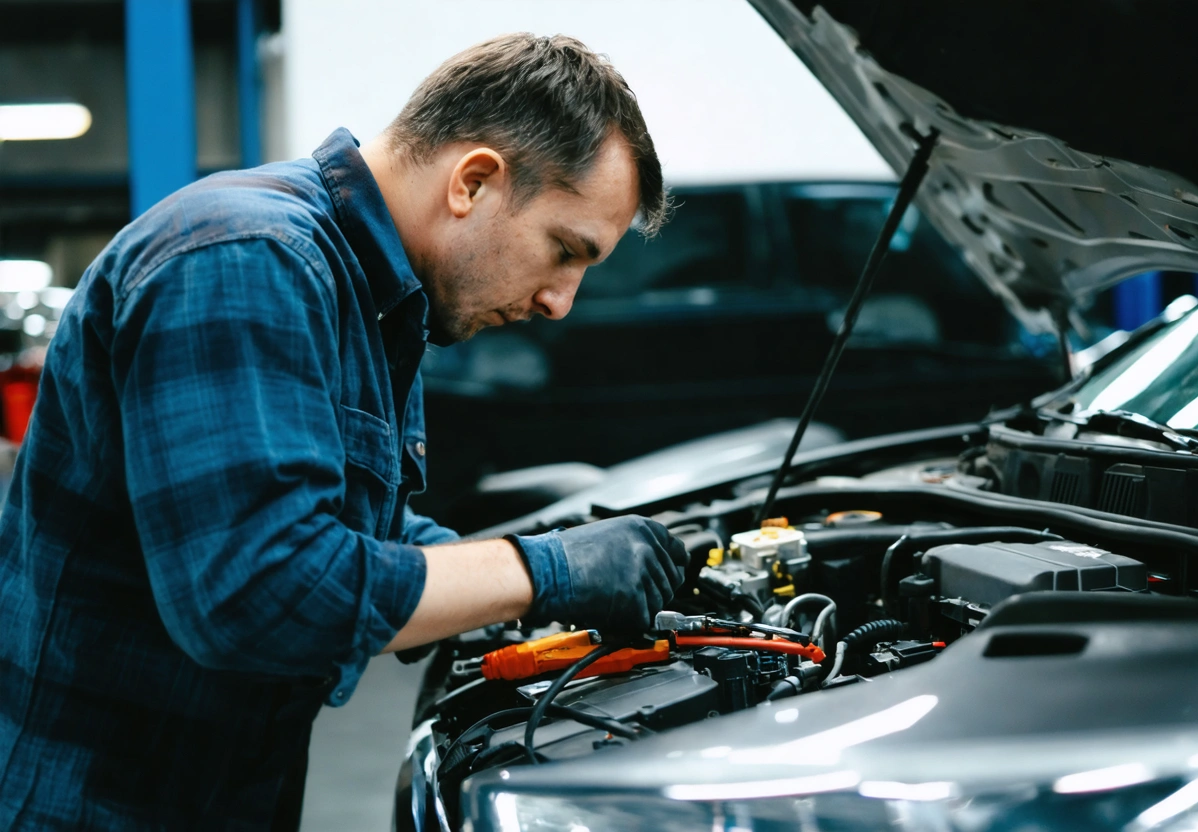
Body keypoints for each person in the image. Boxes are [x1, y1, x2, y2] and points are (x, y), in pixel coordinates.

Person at [0, 33, 689, 830]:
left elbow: (352, 528)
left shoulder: (374, 295)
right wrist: (539, 570)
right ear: (473, 182)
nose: (559, 302)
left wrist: (533, 557)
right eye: (564, 251)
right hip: (93, 807)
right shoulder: (244, 258)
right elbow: (260, 592)